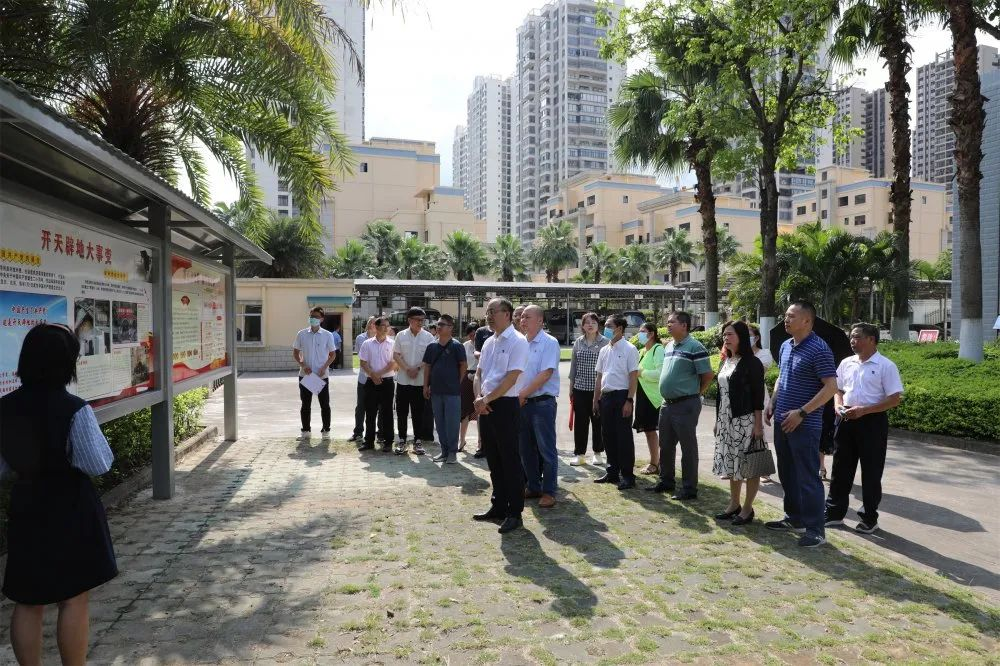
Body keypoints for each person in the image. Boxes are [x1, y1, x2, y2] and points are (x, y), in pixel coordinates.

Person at [1, 324, 117, 665]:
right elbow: (97, 463)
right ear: (67, 363)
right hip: (71, 508)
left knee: (27, 600)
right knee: (73, 597)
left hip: (26, 506)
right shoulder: (74, 408)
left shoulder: (4, 408)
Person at [764, 301, 839, 548]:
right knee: (787, 473)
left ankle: (815, 530)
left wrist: (802, 412)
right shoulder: (786, 346)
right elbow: (782, 377)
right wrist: (773, 402)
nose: (786, 320)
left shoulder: (819, 348)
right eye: (785, 315)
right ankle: (794, 518)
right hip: (783, 421)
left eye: (791, 316)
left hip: (805, 424)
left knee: (808, 477)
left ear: (807, 320)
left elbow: (831, 387)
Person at [825, 322, 903, 534]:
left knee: (871, 471)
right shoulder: (846, 363)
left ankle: (869, 518)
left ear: (871, 339)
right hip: (845, 420)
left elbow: (894, 399)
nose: (852, 341)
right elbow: (837, 389)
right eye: (851, 337)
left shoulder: (886, 366)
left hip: (872, 422)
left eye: (857, 337)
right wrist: (838, 405)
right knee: (840, 468)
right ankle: (833, 513)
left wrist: (864, 410)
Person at [472, 298, 529, 534]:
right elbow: (479, 374)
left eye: (492, 311)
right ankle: (498, 505)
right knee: (493, 459)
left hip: (505, 405)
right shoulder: (488, 341)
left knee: (510, 461)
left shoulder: (518, 341)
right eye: (487, 311)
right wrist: (479, 399)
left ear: (507, 314)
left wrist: (485, 400)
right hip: (485, 405)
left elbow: (511, 378)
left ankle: (514, 513)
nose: (488, 315)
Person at [650, 311, 714, 500]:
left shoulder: (695, 346)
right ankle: (666, 481)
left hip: (685, 404)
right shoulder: (669, 345)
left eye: (672, 322)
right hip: (667, 405)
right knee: (666, 445)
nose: (668, 325)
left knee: (688, 447)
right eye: (668, 322)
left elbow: (707, 375)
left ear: (684, 325)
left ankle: (689, 488)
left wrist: (694, 394)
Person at [712, 321, 766, 526]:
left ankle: (747, 508)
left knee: (750, 465)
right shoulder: (727, 360)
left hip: (745, 420)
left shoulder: (752, 363)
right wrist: (718, 420)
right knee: (732, 463)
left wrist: (758, 425)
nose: (726, 338)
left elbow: (758, 397)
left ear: (741, 336)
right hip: (726, 420)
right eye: (724, 334)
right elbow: (720, 394)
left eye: (730, 334)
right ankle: (734, 504)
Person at [517, 305, 561, 508]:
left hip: (541, 403)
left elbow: (546, 374)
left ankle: (549, 491)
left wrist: (522, 394)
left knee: (546, 450)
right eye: (522, 317)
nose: (522, 320)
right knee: (525, 449)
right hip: (523, 403)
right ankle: (533, 486)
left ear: (540, 321)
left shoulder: (549, 342)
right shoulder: (521, 342)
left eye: (527, 317)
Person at [593, 314, 640, 490]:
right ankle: (612, 471)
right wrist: (596, 399)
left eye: (609, 326)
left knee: (624, 437)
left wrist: (629, 400)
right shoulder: (604, 350)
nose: (605, 329)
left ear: (619, 328)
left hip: (621, 396)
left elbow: (633, 377)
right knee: (608, 435)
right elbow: (599, 376)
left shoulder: (630, 349)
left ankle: (627, 475)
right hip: (606, 397)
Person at [422, 315, 467, 464]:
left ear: (450, 328)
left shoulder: (457, 346)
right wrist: (425, 386)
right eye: (438, 324)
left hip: (452, 392)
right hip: (436, 391)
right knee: (440, 423)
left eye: (442, 324)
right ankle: (444, 451)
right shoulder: (431, 346)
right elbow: (427, 367)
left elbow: (463, 365)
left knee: (452, 423)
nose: (439, 327)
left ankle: (452, 452)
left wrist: (458, 383)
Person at [392, 307, 435, 455]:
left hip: (419, 381)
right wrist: (407, 369)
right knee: (402, 413)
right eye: (418, 320)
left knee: (418, 413)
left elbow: (429, 358)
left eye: (423, 320)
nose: (421, 323)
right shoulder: (401, 335)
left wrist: (416, 368)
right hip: (403, 381)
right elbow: (396, 355)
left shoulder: (428, 337)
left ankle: (417, 441)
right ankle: (402, 441)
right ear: (409, 320)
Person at [567, 312, 608, 467]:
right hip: (580, 389)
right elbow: (573, 367)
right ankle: (580, 454)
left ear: (598, 325)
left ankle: (598, 453)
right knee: (581, 423)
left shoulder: (605, 342)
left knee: (598, 422)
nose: (590, 325)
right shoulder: (578, 342)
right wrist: (571, 388)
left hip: (599, 390)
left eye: (593, 322)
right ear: (582, 326)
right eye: (587, 322)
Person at [292, 307, 336, 439]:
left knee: (324, 404)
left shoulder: (327, 335)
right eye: (311, 316)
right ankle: (306, 431)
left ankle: (326, 431)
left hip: (321, 375)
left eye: (316, 316)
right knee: (305, 405)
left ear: (321, 319)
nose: (313, 319)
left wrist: (324, 367)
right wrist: (303, 365)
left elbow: (333, 355)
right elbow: (295, 353)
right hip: (306, 375)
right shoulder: (302, 334)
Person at [358, 317, 397, 452]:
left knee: (387, 412)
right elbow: (363, 362)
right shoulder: (367, 344)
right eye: (383, 326)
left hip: (387, 382)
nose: (386, 328)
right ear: (376, 327)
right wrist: (373, 375)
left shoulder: (392, 343)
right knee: (370, 412)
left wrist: (379, 374)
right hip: (371, 382)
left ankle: (388, 441)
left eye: (388, 326)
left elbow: (394, 363)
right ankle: (368, 441)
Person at [634, 322, 664, 475]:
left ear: (651, 334)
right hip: (643, 396)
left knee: (653, 431)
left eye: (643, 331)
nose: (639, 334)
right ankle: (655, 461)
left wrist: (642, 373)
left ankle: (656, 463)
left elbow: (661, 373)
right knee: (648, 430)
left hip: (655, 398)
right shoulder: (641, 351)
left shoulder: (658, 349)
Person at [749, 323, 776, 483]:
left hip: (758, 394)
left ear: (757, 337)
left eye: (749, 335)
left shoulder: (764, 353)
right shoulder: (736, 354)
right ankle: (741, 467)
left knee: (759, 431)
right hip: (740, 396)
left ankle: (763, 471)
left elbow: (758, 372)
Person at [351, 317, 376, 445]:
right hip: (364, 378)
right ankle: (358, 432)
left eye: (375, 323)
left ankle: (378, 433)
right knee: (361, 406)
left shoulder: (382, 338)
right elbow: (362, 357)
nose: (373, 325)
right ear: (368, 324)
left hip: (378, 377)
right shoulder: (361, 338)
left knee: (378, 407)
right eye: (371, 322)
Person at [460, 323, 480, 451]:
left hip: (480, 377)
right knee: (464, 410)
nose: (473, 337)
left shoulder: (484, 345)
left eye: (475, 335)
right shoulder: (464, 346)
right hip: (466, 378)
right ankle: (462, 440)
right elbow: (461, 363)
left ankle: (480, 442)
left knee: (480, 410)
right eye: (470, 335)